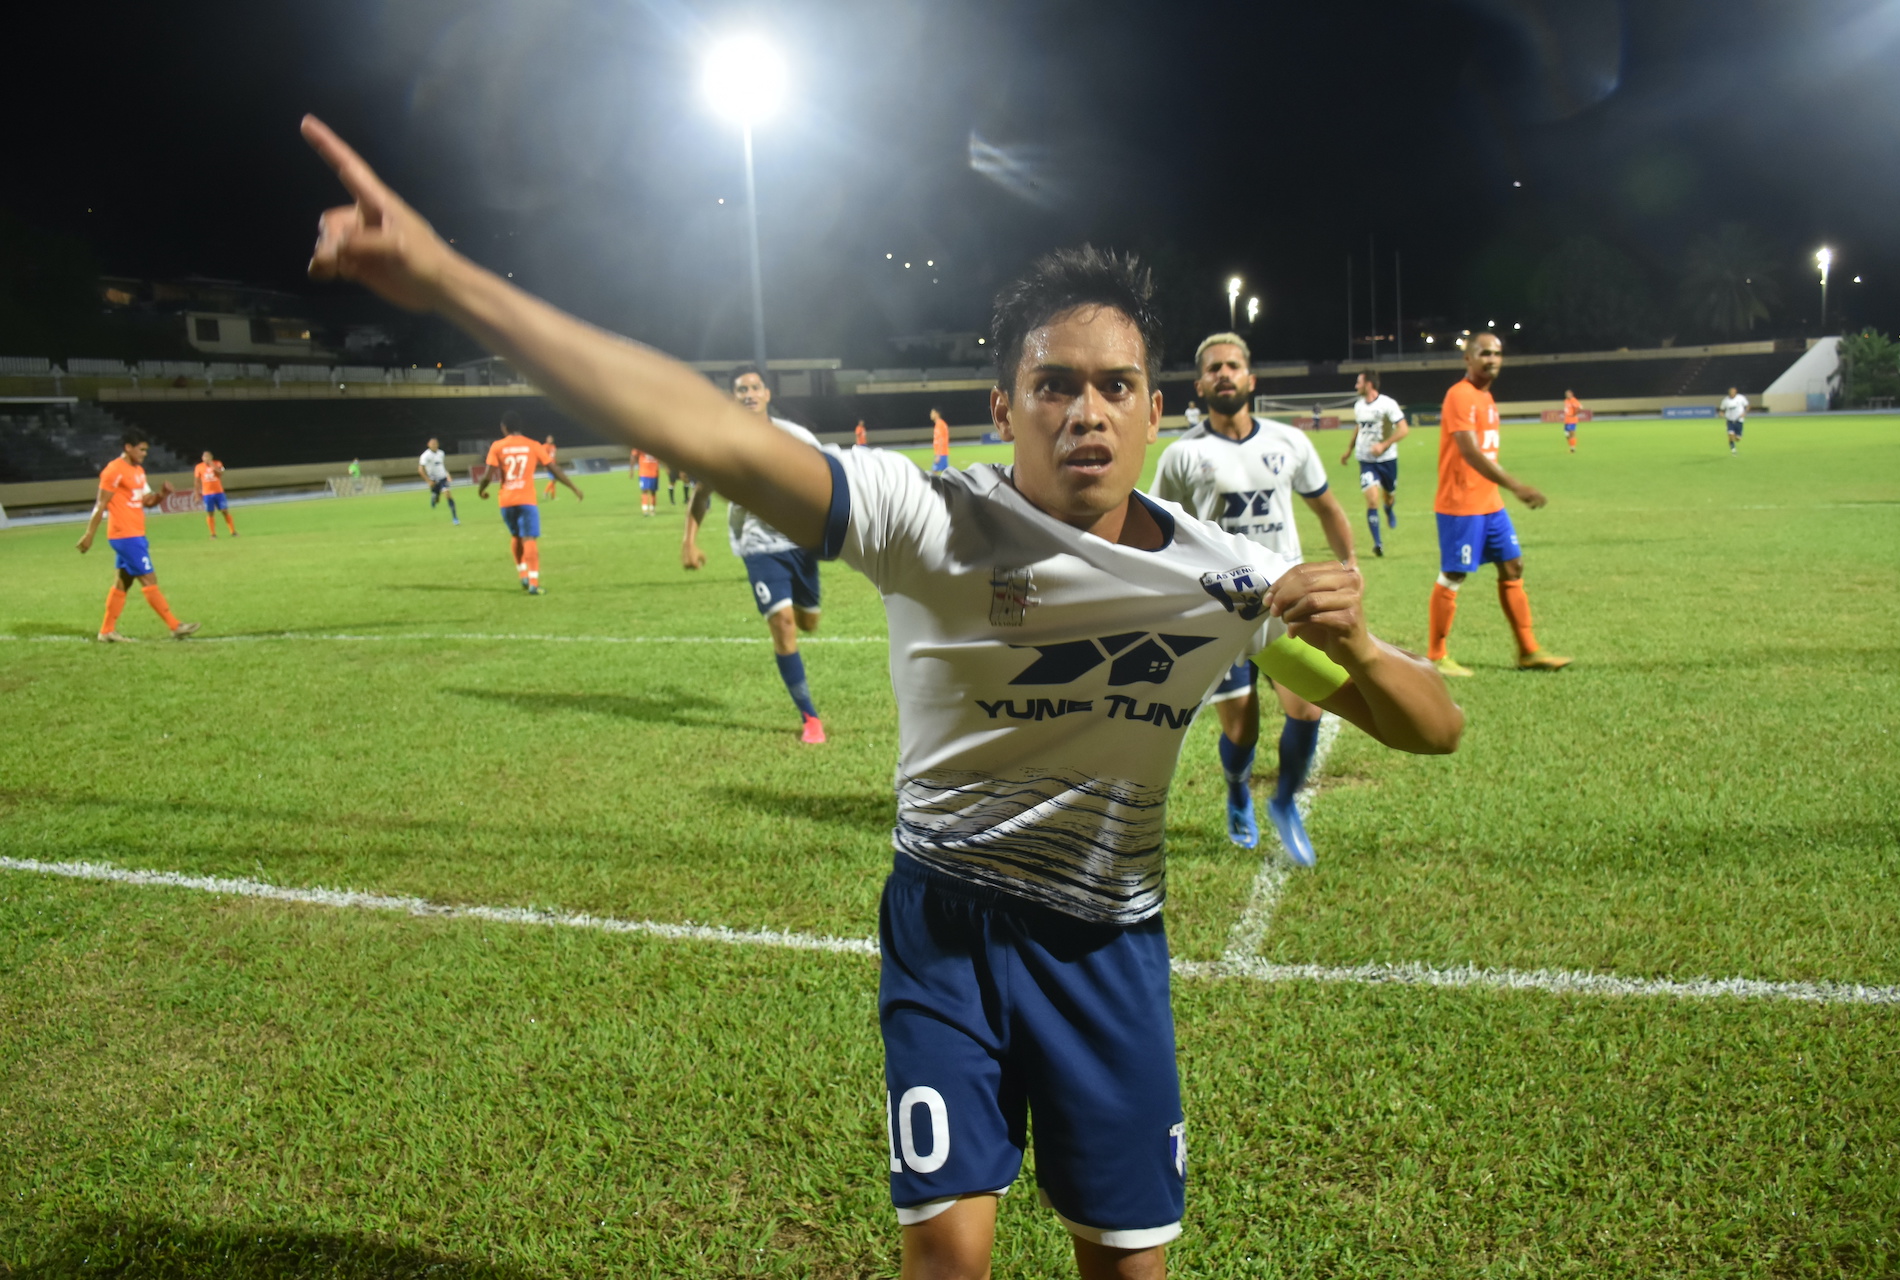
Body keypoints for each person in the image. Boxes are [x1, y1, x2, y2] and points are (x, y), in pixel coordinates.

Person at [301, 118, 1462, 1278]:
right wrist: (450, 278)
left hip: (1109, 943)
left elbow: (1434, 725)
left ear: (1155, 411)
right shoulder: (930, 520)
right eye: (1052, 385)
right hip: (945, 925)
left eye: (1115, 386)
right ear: (1002, 408)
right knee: (943, 1261)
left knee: (1126, 1266)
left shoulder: (1222, 579)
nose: (1086, 412)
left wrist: (1359, 651)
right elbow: (698, 425)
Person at [1151, 332, 1357, 863]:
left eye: (1233, 365)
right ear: (1200, 384)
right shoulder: (1182, 455)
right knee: (1242, 732)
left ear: (1250, 378)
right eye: (1214, 367)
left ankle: (1285, 801)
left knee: (1308, 710)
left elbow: (1328, 508)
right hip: (1220, 610)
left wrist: (1350, 567)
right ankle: (1239, 791)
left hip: (1287, 603)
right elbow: (1159, 529)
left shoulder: (1289, 443)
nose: (1224, 373)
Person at [683, 367, 830, 744]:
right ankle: (810, 718)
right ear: (733, 397)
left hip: (801, 543)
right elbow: (701, 496)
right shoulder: (721, 445)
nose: (748, 393)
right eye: (740, 389)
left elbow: (833, 478)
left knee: (808, 622)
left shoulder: (796, 438)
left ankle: (802, 606)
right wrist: (689, 540)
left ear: (766, 393)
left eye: (754, 387)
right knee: (783, 625)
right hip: (757, 547)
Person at [1427, 333, 1572, 677]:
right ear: (1468, 358)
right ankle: (1435, 656)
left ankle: (1528, 651)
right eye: (1484, 353)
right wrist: (1516, 486)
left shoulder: (1486, 397)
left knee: (1513, 567)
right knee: (1454, 574)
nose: (1492, 359)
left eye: (1497, 353)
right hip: (1461, 504)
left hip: (1489, 502)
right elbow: (1469, 451)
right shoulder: (1459, 395)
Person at [76, 427, 200, 641]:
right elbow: (100, 504)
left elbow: (147, 501)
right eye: (141, 450)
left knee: (123, 581)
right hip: (124, 534)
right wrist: (89, 535)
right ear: (128, 447)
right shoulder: (113, 470)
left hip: (135, 532)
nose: (145, 454)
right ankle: (175, 626)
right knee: (148, 577)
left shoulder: (138, 471)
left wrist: (162, 494)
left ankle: (106, 631)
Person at [476, 410, 555, 594]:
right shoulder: (533, 445)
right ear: (520, 427)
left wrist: (481, 490)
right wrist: (574, 487)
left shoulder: (497, 446)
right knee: (529, 538)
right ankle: (534, 583)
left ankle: (522, 575)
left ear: (504, 427)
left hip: (506, 500)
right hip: (526, 499)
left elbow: (488, 475)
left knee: (516, 536)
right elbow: (552, 467)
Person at [1339, 370, 1407, 559]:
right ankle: (1378, 543)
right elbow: (1359, 427)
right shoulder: (1358, 405)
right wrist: (1349, 450)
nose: (1356, 386)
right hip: (1366, 460)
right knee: (1371, 500)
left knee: (1389, 495)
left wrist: (1384, 445)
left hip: (1387, 460)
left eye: (1358, 382)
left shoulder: (1388, 404)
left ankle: (1389, 509)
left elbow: (1404, 429)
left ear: (1369, 384)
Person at [194, 450, 237, 538]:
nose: (205, 458)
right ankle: (213, 534)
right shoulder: (199, 467)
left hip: (219, 492)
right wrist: (197, 495)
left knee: (224, 511)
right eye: (204, 457)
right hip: (207, 494)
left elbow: (221, 473)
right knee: (210, 513)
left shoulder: (217, 463)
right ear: (202, 458)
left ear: (211, 457)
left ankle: (233, 532)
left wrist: (212, 465)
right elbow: (197, 482)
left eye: (207, 457)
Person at [417, 436, 459, 524]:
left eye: (436, 444)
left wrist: (447, 475)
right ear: (428, 445)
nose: (434, 445)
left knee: (448, 495)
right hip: (433, 480)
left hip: (443, 478)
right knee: (437, 500)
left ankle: (455, 518)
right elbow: (420, 470)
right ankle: (434, 497)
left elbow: (441, 466)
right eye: (432, 444)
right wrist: (428, 481)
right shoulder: (425, 456)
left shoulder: (441, 453)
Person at [631, 447, 661, 515]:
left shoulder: (657, 445)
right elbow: (633, 455)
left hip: (654, 473)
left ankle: (652, 509)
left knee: (653, 491)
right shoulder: (641, 445)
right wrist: (631, 469)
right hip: (644, 473)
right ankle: (645, 510)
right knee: (644, 490)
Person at [1719, 385, 1748, 453]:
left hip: (1739, 420)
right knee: (1730, 435)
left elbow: (1747, 406)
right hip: (1730, 421)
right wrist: (1721, 414)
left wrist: (1744, 413)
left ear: (1735, 392)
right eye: (1731, 392)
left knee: (1738, 439)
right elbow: (1722, 410)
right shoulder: (1725, 401)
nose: (1732, 393)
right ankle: (1733, 449)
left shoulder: (1741, 398)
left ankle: (1735, 438)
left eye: (1733, 391)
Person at [929, 407, 951, 472]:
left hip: (941, 453)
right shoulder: (941, 424)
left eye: (932, 413)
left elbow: (941, 440)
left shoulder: (940, 425)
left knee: (933, 473)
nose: (930, 414)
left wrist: (938, 455)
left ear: (937, 414)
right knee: (946, 472)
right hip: (943, 453)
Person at [1562, 389, 1583, 453]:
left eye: (1569, 394)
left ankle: (1572, 449)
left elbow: (1580, 407)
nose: (1567, 395)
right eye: (1566, 394)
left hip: (1572, 420)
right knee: (1566, 434)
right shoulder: (1565, 401)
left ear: (1571, 394)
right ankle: (1571, 446)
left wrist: (1575, 414)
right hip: (1566, 420)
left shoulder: (1573, 400)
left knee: (1572, 434)